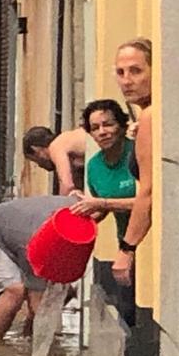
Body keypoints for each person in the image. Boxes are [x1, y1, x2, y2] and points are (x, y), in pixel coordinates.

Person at [0, 195, 74, 343]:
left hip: (10, 235)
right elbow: (37, 297)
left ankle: (28, 337)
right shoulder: (35, 238)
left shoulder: (76, 208)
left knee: (65, 291)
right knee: (16, 290)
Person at [112, 38, 153, 286]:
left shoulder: (150, 116)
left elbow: (148, 191)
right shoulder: (148, 115)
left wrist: (126, 249)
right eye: (120, 72)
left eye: (136, 71)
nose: (126, 80)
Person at [69, 100, 135, 240]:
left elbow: (148, 201)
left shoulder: (137, 153)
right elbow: (101, 210)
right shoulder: (94, 166)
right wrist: (79, 208)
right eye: (95, 128)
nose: (102, 132)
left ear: (122, 127)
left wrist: (101, 203)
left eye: (108, 125)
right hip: (127, 243)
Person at [22, 125, 87, 195]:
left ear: (36, 149)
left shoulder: (55, 147)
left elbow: (67, 185)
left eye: (36, 160)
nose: (40, 165)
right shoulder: (66, 141)